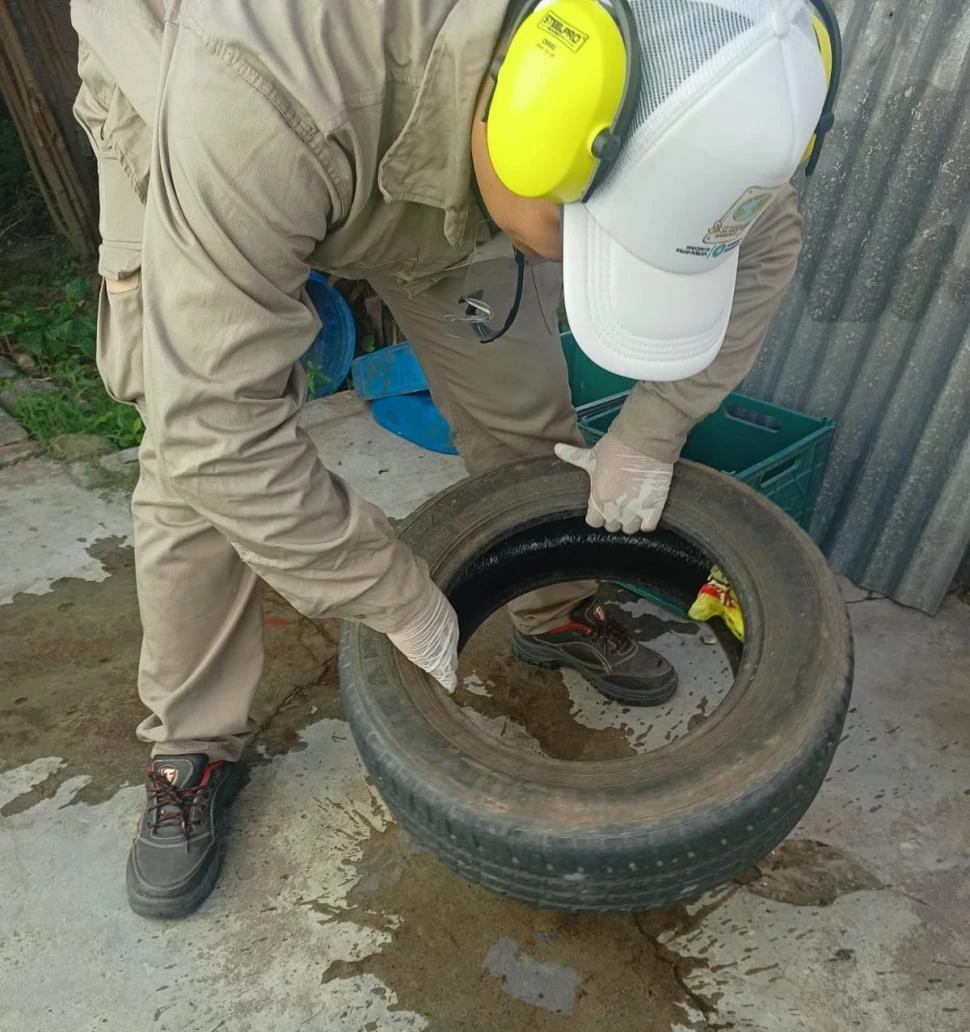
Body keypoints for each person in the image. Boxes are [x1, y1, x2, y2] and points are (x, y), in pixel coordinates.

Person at [70, 0, 828, 918]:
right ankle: (191, 741)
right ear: (524, 134)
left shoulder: (679, 75)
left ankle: (553, 616)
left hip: (420, 118)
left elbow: (768, 237)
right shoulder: (259, 91)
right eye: (588, 247)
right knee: (191, 465)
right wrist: (393, 591)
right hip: (192, 95)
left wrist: (652, 428)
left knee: (523, 416)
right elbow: (218, 434)